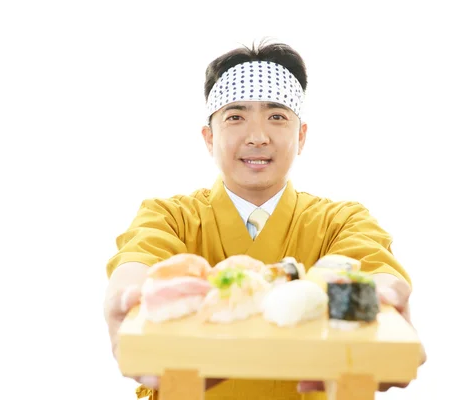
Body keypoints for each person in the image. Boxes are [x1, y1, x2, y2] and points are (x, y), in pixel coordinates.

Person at [103, 39, 426, 400]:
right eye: (236, 117)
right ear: (209, 138)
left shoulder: (342, 221)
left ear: (301, 136)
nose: (257, 137)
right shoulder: (170, 216)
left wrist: (384, 303)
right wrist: (126, 295)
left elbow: (372, 266)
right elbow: (140, 259)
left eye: (277, 117)